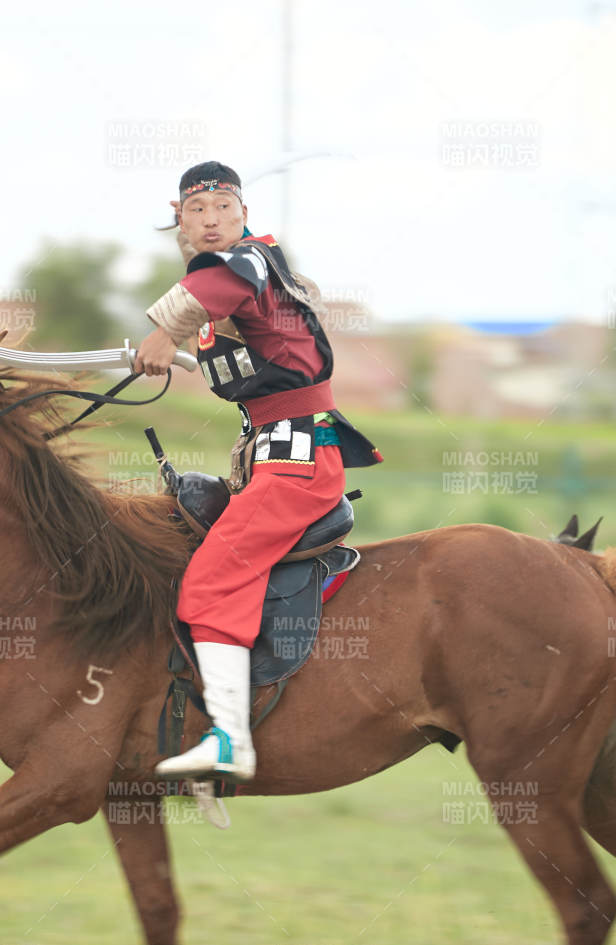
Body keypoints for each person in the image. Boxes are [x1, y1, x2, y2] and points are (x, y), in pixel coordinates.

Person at [132, 161, 381, 782]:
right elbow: (217, 296)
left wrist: (163, 333)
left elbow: (222, 281)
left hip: (298, 461)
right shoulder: (228, 285)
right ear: (180, 218)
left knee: (210, 580)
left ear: (244, 213)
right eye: (197, 210)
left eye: (223, 207)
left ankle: (230, 740)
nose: (211, 219)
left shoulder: (250, 262)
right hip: (272, 456)